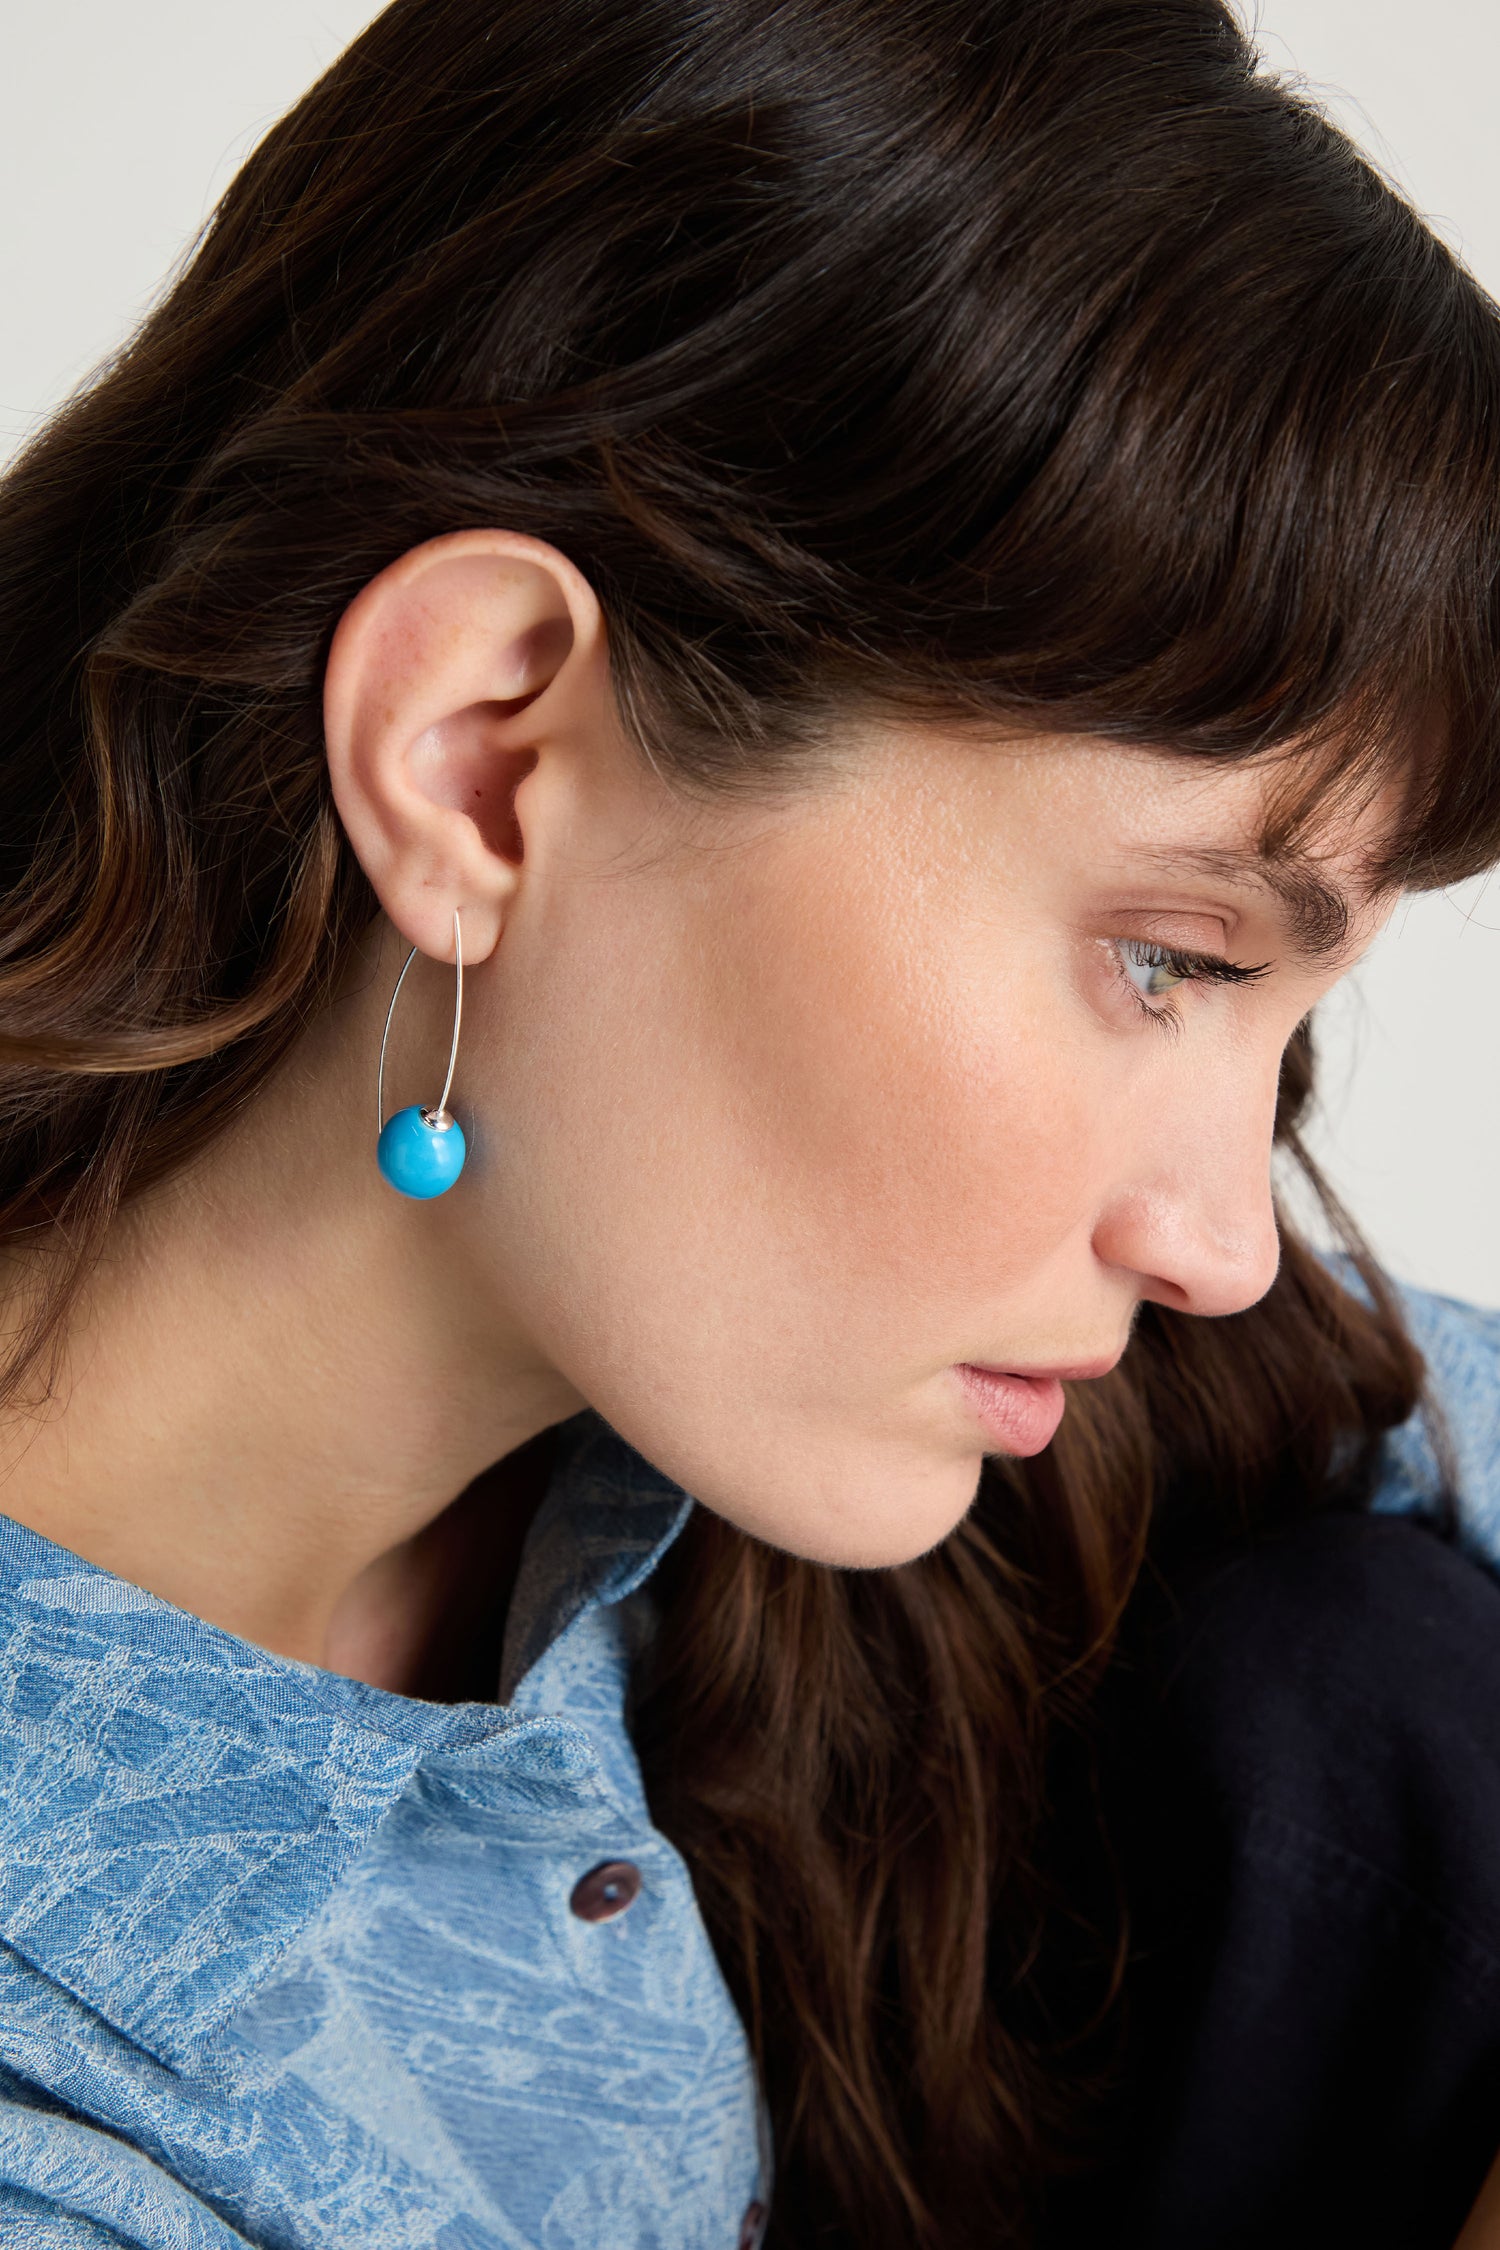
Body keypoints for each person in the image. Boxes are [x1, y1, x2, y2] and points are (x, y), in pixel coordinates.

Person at [2, 0, 1500, 2243]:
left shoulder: (792, 1382)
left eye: (1275, 1022)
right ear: (483, 761)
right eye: (1166, 959)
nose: (1221, 1237)